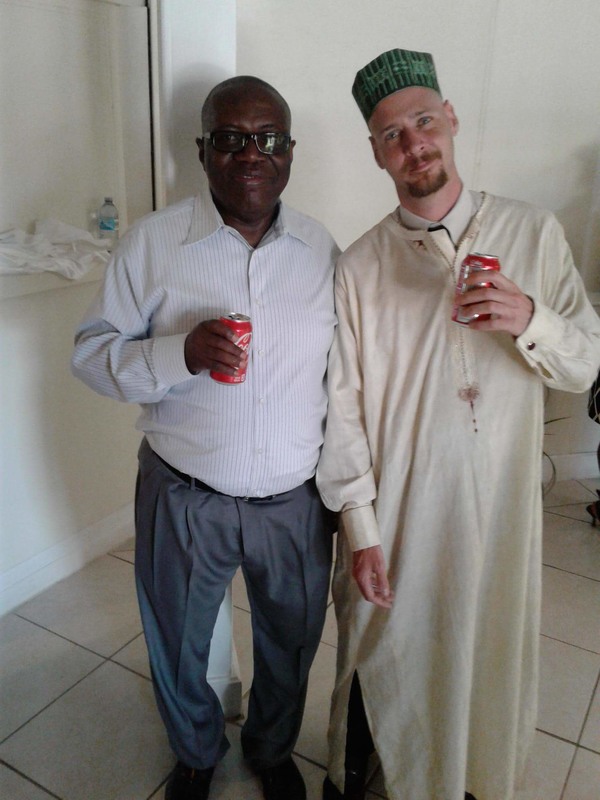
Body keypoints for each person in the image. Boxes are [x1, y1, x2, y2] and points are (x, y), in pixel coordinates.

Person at [316, 48, 600, 800]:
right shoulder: (359, 266)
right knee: (388, 650)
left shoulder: (534, 232)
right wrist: (359, 530)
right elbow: (342, 407)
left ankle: (470, 779)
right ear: (377, 153)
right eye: (392, 134)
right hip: (403, 515)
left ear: (450, 119)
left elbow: (585, 364)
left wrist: (530, 317)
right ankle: (376, 777)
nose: (414, 143)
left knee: (487, 652)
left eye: (423, 121)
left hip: (500, 513)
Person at [72, 75, 339, 800]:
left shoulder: (321, 250)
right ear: (201, 150)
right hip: (185, 494)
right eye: (230, 139)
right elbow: (90, 354)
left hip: (295, 502)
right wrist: (178, 355)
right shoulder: (152, 244)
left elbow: (345, 376)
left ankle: (272, 749)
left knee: (291, 643)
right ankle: (195, 751)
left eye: (268, 139)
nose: (251, 155)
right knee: (179, 642)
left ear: (290, 151)